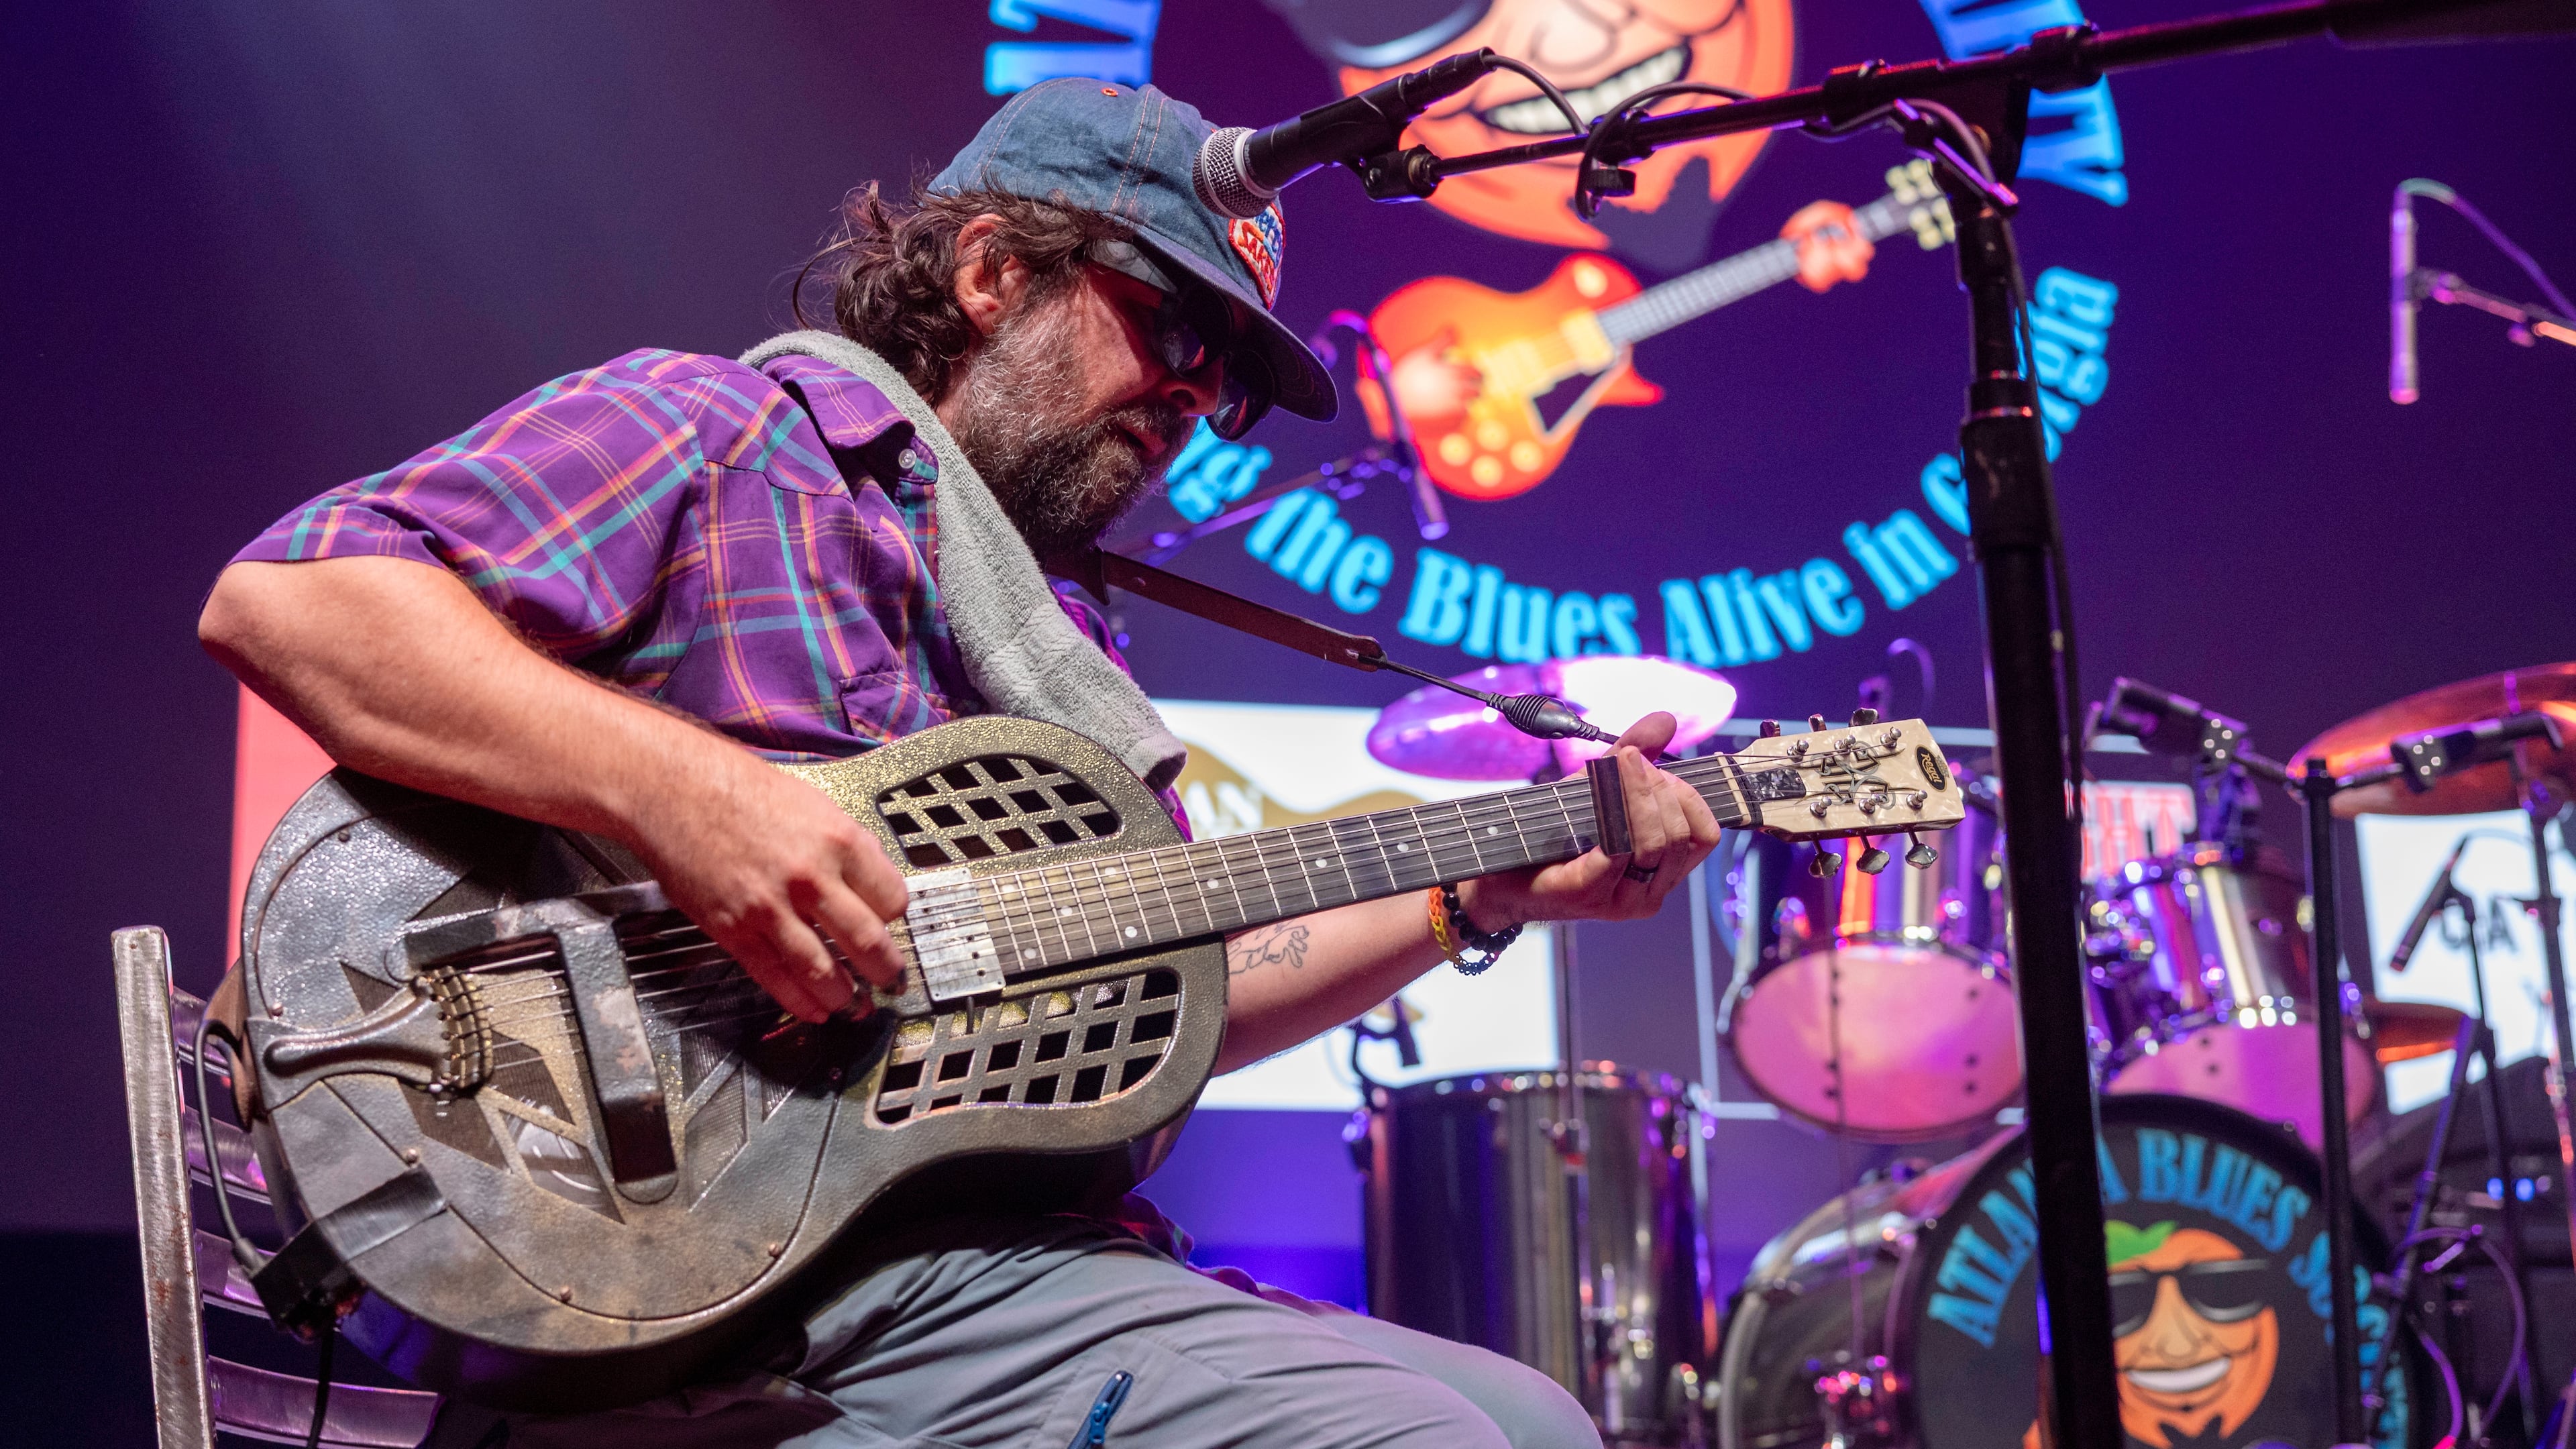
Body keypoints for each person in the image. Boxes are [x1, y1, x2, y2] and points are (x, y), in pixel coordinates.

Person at [199, 78, 1721, 1449]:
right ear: (992, 273)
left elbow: (1155, 991)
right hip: (736, 1272)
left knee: (1533, 1420)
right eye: (1174, 333)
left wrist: (1483, 888)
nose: (1195, 402)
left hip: (999, 1268)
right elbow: (297, 601)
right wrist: (687, 797)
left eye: (1228, 389)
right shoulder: (731, 433)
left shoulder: (1063, 648)